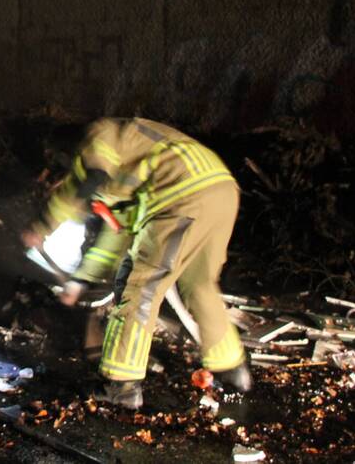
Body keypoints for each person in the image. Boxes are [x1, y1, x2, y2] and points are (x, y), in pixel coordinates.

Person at [21, 117, 250, 409]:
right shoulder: (130, 167)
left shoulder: (100, 134)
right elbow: (116, 238)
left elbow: (88, 179)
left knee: (139, 286)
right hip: (221, 189)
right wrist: (80, 280)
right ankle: (232, 368)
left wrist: (42, 226)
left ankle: (121, 386)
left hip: (179, 194)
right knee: (200, 284)